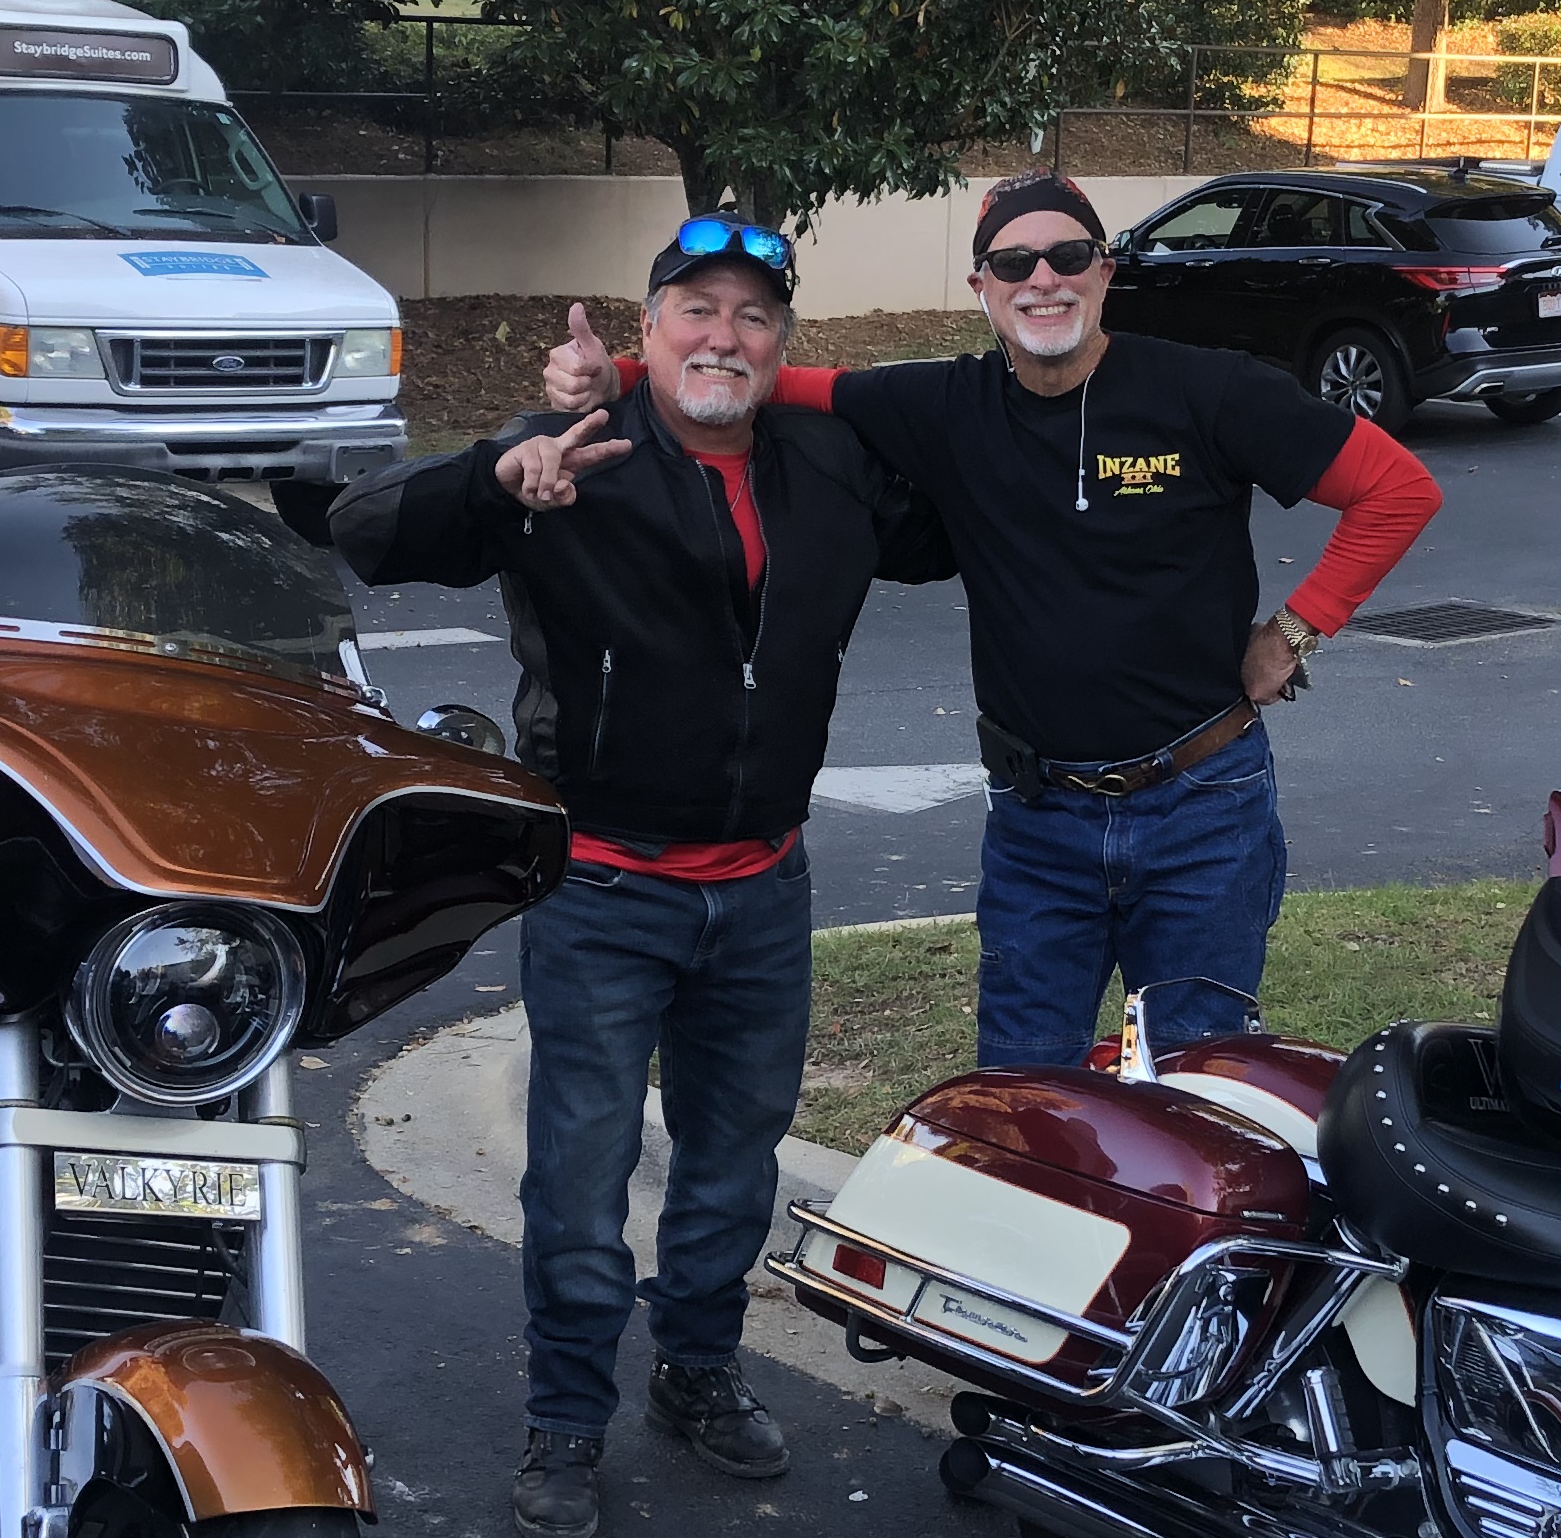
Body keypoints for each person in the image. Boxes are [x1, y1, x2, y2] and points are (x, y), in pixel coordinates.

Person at [332, 221, 951, 1538]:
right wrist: (503, 475)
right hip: (606, 891)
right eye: (695, 311)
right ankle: (566, 1419)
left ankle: (699, 1370)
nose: (723, 335)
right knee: (580, 1178)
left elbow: (972, 500)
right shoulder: (572, 453)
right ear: (648, 328)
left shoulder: (831, 464)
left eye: (753, 316)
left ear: (783, 344)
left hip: (765, 888)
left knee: (733, 1164)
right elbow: (367, 528)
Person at [546, 168, 1440, 1067]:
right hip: (1038, 822)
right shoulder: (947, 404)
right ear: (982, 286)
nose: (1042, 279)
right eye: (1014, 262)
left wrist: (1294, 631)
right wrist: (617, 374)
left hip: (1203, 808)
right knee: (1022, 1087)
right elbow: (770, 381)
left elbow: (1396, 489)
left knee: (1196, 1082)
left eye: (1068, 256)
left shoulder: (1208, 391)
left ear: (1105, 271)